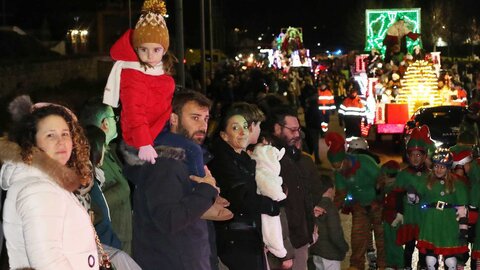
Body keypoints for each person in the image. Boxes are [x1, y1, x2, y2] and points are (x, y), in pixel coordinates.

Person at [103, 0, 206, 179]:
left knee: (197, 146)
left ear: (164, 49)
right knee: (194, 150)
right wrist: (143, 143)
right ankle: (204, 188)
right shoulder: (133, 74)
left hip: (160, 127)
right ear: (136, 48)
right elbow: (134, 111)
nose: (150, 56)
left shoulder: (157, 69)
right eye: (144, 49)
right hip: (145, 135)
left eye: (156, 49)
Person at [0, 95, 98, 269]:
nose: (61, 141)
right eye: (50, 135)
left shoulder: (45, 182)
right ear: (32, 142)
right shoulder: (39, 190)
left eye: (65, 134)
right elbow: (49, 262)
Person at [120, 117, 219, 269]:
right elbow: (170, 219)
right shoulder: (165, 166)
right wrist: (206, 191)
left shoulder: (189, 161)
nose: (203, 125)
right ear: (174, 119)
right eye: (195, 118)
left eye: (206, 118)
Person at [208, 108, 280, 270]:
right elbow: (241, 198)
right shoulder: (223, 161)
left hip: (247, 235)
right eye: (235, 128)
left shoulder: (242, 158)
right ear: (223, 135)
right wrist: (271, 205)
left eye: (245, 127)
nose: (243, 132)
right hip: (236, 238)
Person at [82, 125, 141, 270]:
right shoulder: (88, 184)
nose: (106, 150)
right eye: (103, 147)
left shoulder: (94, 180)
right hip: (106, 249)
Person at [79, 98, 133, 254]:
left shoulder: (110, 151)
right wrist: (123, 189)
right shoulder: (90, 158)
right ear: (105, 123)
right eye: (113, 118)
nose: (117, 121)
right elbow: (92, 202)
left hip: (120, 238)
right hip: (110, 243)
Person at [267, 105, 319, 270]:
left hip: (299, 239)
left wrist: (311, 227)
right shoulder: (272, 160)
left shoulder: (293, 158)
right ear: (277, 128)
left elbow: (304, 197)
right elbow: (278, 209)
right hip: (288, 244)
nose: (297, 135)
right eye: (293, 130)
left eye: (299, 130)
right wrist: (286, 249)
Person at [325, 131, 385, 270]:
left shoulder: (364, 161)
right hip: (359, 206)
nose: (338, 169)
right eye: (334, 167)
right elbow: (340, 194)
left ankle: (383, 264)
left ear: (344, 159)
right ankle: (356, 265)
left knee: (381, 237)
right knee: (358, 238)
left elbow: (381, 179)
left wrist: (379, 198)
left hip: (377, 204)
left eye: (339, 165)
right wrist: (331, 211)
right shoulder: (339, 173)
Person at [415, 149, 469, 270]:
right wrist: (413, 195)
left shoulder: (457, 183)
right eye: (437, 166)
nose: (439, 170)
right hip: (431, 221)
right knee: (430, 258)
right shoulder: (427, 181)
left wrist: (463, 228)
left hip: (449, 221)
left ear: (448, 168)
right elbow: (417, 198)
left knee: (450, 259)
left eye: (442, 167)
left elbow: (461, 208)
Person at [394, 125, 433, 270]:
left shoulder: (429, 174)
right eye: (412, 155)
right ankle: (406, 267)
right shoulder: (403, 174)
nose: (415, 158)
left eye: (419, 155)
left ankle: (422, 265)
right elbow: (398, 193)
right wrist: (399, 212)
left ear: (424, 156)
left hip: (424, 216)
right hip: (410, 215)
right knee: (409, 245)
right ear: (408, 156)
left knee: (423, 245)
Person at [250, 143, 287, 258]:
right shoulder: (262, 172)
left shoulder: (263, 172)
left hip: (267, 208)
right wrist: (281, 195)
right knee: (271, 228)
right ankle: (277, 247)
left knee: (272, 227)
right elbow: (273, 190)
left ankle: (277, 247)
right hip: (265, 210)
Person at [309, 175, 349, 270]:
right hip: (331, 254)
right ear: (330, 189)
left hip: (316, 252)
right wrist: (344, 247)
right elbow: (335, 233)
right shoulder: (330, 208)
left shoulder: (313, 205)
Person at [377, 160, 404, 269]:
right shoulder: (386, 188)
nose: (385, 179)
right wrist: (378, 190)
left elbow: (401, 204)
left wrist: (399, 215)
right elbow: (381, 200)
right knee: (387, 241)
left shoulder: (398, 189)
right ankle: (390, 263)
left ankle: (399, 263)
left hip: (395, 218)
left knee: (395, 242)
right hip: (387, 218)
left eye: (386, 177)